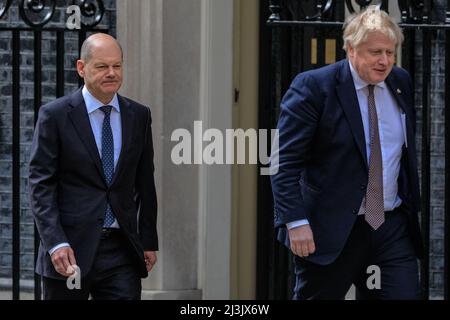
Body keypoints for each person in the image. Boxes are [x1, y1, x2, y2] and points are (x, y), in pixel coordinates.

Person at [270, 6, 424, 300]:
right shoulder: (314, 87)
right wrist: (295, 221)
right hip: (332, 228)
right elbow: (284, 162)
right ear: (351, 49)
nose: (385, 61)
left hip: (389, 225)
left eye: (390, 52)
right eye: (375, 52)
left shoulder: (400, 82)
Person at [29, 33, 158, 300]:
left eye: (117, 66)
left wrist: (147, 240)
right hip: (69, 253)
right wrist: (56, 243)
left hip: (121, 252)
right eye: (102, 66)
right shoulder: (55, 116)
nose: (112, 73)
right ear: (81, 68)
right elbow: (41, 186)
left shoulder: (139, 115)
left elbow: (145, 183)